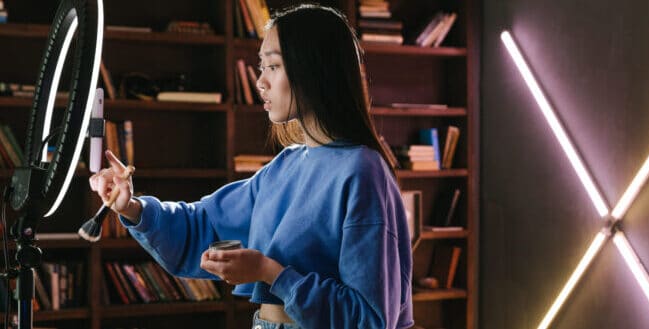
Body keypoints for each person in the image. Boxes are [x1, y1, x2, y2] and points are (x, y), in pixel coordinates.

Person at [89, 3, 413, 329]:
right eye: (261, 67)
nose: (260, 82)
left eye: (273, 66)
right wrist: (130, 206)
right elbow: (203, 227)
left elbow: (370, 319)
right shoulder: (286, 166)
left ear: (315, 70)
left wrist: (270, 273)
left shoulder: (362, 172)